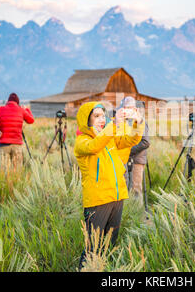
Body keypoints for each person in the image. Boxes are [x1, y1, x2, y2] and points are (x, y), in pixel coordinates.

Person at [74, 101, 145, 271]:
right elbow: (95, 146)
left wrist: (138, 122)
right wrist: (114, 124)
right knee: (93, 248)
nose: (101, 119)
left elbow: (132, 139)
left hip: (117, 197)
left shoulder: (110, 137)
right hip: (98, 202)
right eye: (96, 116)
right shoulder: (82, 141)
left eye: (102, 115)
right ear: (87, 120)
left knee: (109, 246)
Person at [0, 93, 34, 168]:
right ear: (17, 102)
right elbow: (31, 120)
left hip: (4, 145)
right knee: (17, 171)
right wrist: (26, 109)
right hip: (17, 145)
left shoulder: (0, 109)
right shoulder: (21, 110)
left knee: (4, 171)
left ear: (8, 101)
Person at [128, 101, 150, 199]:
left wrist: (129, 150)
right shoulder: (133, 122)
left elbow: (145, 142)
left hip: (137, 160)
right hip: (132, 160)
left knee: (136, 189)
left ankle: (139, 214)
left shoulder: (142, 123)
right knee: (131, 189)